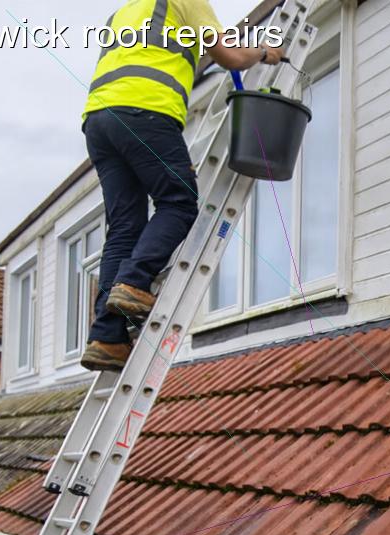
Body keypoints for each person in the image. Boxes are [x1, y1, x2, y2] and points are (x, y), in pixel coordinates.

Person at [80, 0, 284, 371]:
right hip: (146, 111)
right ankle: (134, 281)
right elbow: (229, 57)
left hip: (98, 121)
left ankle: (106, 338)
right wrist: (265, 52)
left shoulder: (125, 12)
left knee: (124, 227)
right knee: (179, 203)